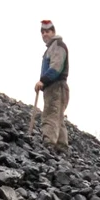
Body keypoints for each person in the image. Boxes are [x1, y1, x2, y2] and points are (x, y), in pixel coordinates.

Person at [35, 20, 70, 153]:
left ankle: (48, 145)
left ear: (53, 32)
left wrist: (42, 81)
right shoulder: (51, 48)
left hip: (56, 86)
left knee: (50, 114)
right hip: (55, 87)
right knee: (58, 117)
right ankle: (61, 148)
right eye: (43, 32)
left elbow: (56, 67)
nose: (45, 34)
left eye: (47, 31)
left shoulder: (58, 45)